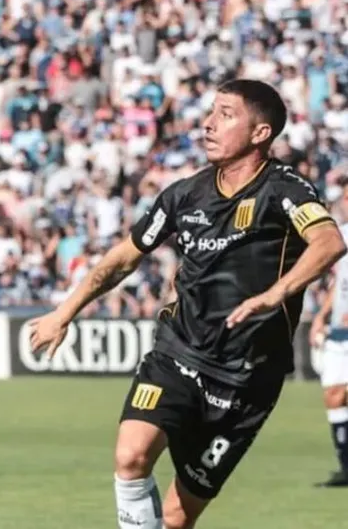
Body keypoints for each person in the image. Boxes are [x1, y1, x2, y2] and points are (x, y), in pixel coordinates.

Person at [27, 79, 347, 529]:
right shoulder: (184, 193)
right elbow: (124, 256)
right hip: (178, 355)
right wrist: (65, 311)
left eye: (226, 114)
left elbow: (329, 241)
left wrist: (277, 293)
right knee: (131, 455)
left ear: (261, 133)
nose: (209, 123)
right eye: (210, 112)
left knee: (177, 518)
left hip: (247, 379)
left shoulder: (285, 190)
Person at [309, 216, 348, 487]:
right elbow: (340, 282)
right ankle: (346, 468)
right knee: (334, 395)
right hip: (338, 332)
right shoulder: (341, 234)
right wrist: (321, 316)